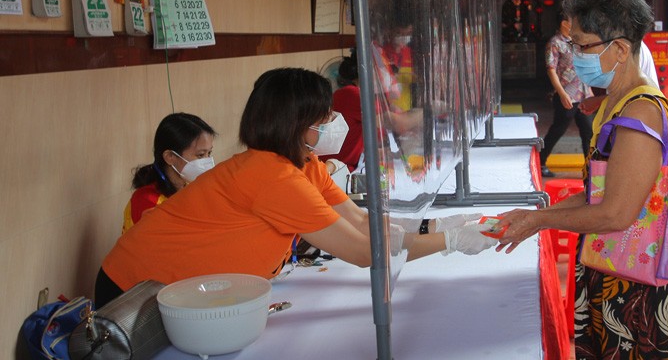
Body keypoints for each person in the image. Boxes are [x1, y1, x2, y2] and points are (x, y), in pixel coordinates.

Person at [95, 68, 497, 307]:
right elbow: (362, 251)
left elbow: (359, 221)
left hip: (175, 288)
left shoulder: (305, 165)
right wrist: (453, 240)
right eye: (324, 116)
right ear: (295, 122)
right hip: (134, 290)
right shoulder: (271, 175)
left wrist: (434, 225)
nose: (333, 123)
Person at [497, 0, 668, 359]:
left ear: (620, 49)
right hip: (616, 267)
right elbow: (597, 195)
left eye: (582, 45)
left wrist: (539, 222)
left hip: (641, 286)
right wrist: (535, 214)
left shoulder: (641, 112)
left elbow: (616, 212)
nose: (574, 55)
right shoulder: (613, 102)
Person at [121, 113, 216, 234]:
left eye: (209, 153)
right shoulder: (149, 203)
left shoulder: (188, 185)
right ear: (170, 157)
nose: (207, 161)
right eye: (200, 155)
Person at [539, 11, 593, 178]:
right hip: (566, 95)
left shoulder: (578, 41)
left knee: (588, 132)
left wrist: (590, 90)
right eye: (573, 21)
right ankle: (540, 161)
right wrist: (561, 94)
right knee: (558, 129)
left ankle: (591, 169)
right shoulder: (555, 43)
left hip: (583, 95)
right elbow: (551, 70)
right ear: (564, 23)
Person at [319, 51, 363, 173]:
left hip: (339, 165)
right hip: (334, 167)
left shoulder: (344, 93)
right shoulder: (353, 94)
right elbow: (394, 122)